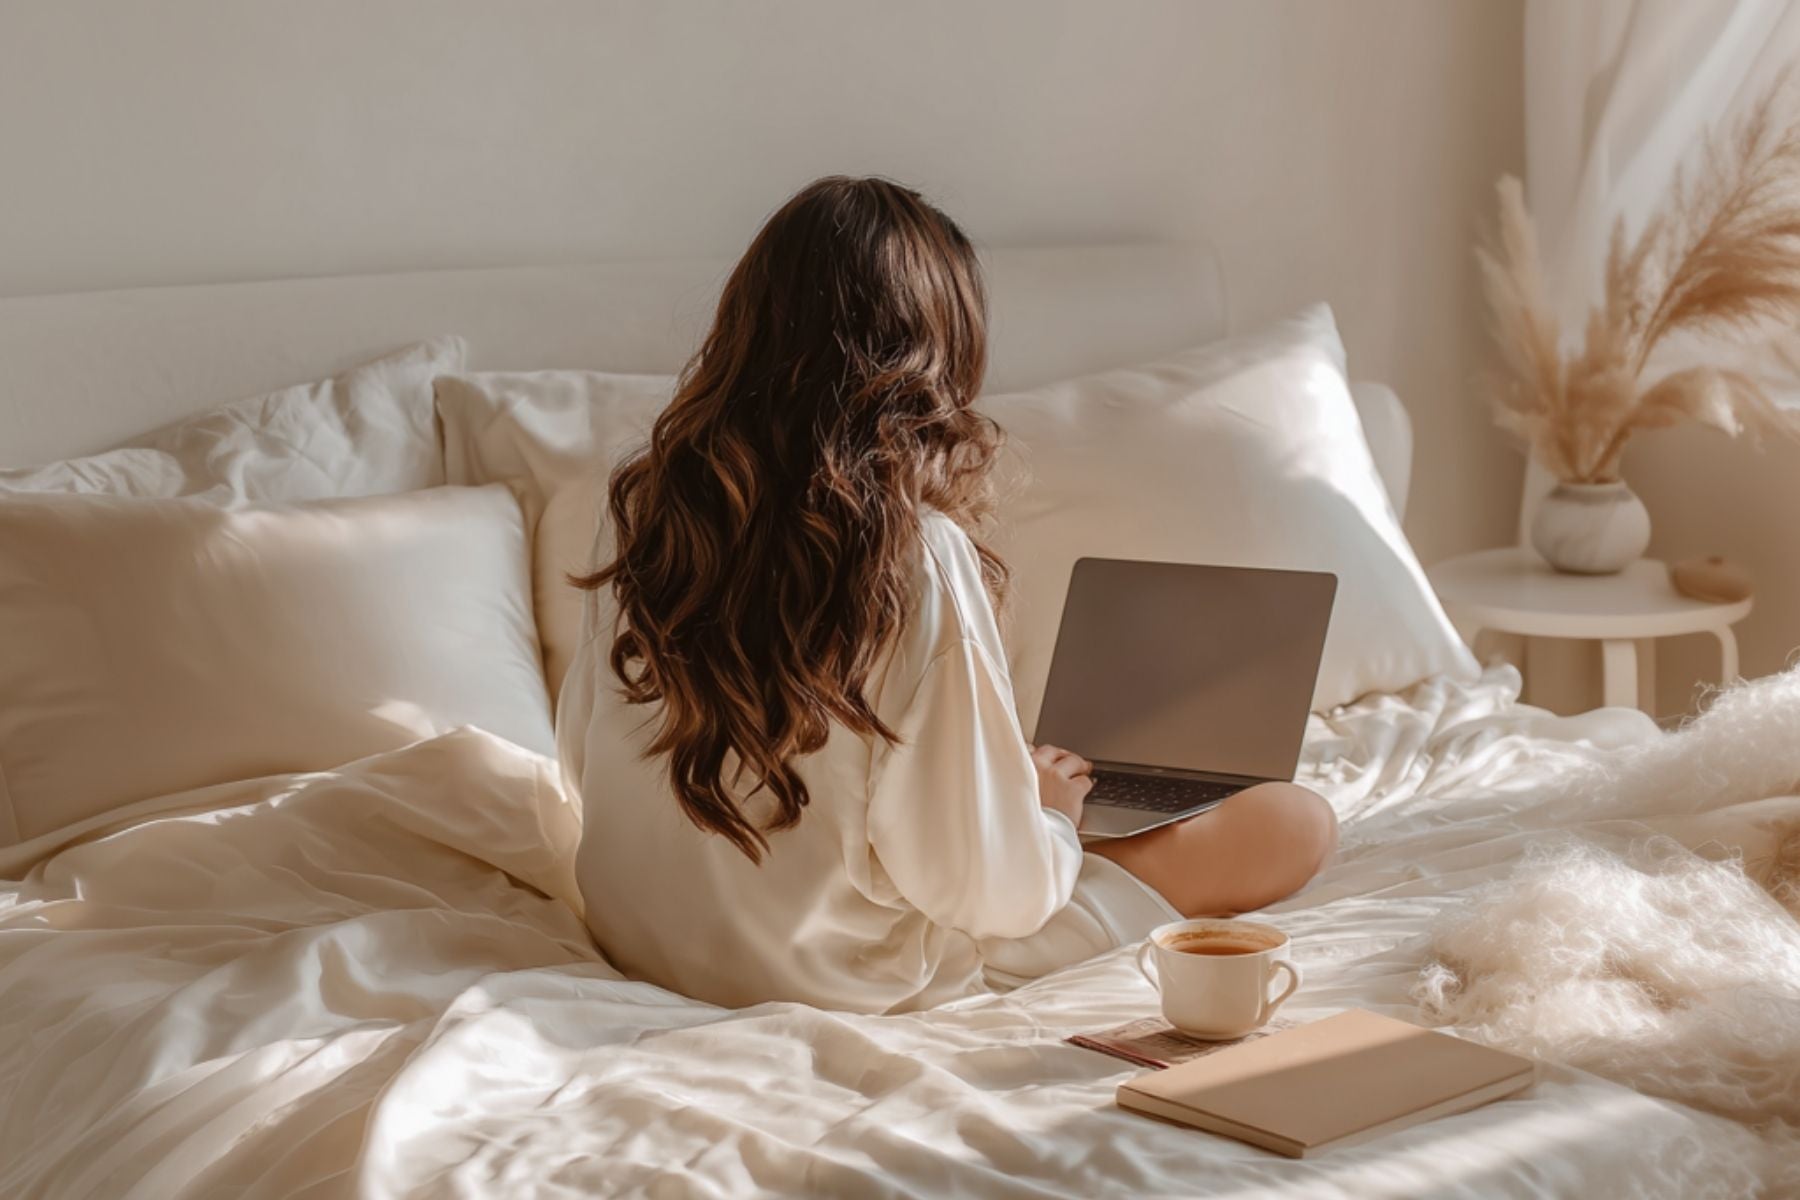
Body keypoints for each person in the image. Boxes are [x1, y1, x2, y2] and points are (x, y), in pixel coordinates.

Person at [558, 176, 1337, 1013]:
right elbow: (988, 895)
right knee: (1294, 821)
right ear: (934, 358)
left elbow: (580, 758)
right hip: (833, 976)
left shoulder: (650, 504)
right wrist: (1047, 815)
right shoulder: (913, 551)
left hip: (643, 938)